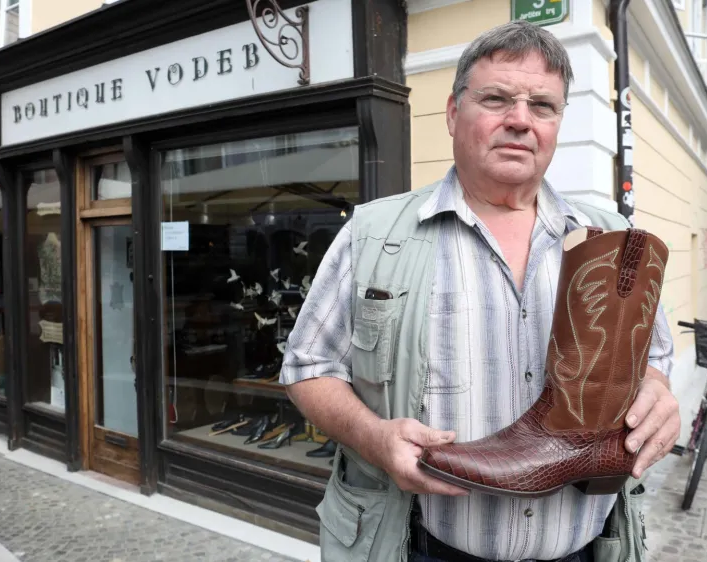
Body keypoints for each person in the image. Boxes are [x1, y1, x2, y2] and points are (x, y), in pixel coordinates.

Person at [279, 21, 679, 562]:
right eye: (496, 99)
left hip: (587, 547)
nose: (520, 120)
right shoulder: (376, 233)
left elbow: (652, 357)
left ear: (558, 122)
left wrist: (657, 392)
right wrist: (374, 437)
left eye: (542, 106)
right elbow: (308, 366)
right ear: (452, 113)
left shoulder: (614, 241)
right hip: (424, 545)